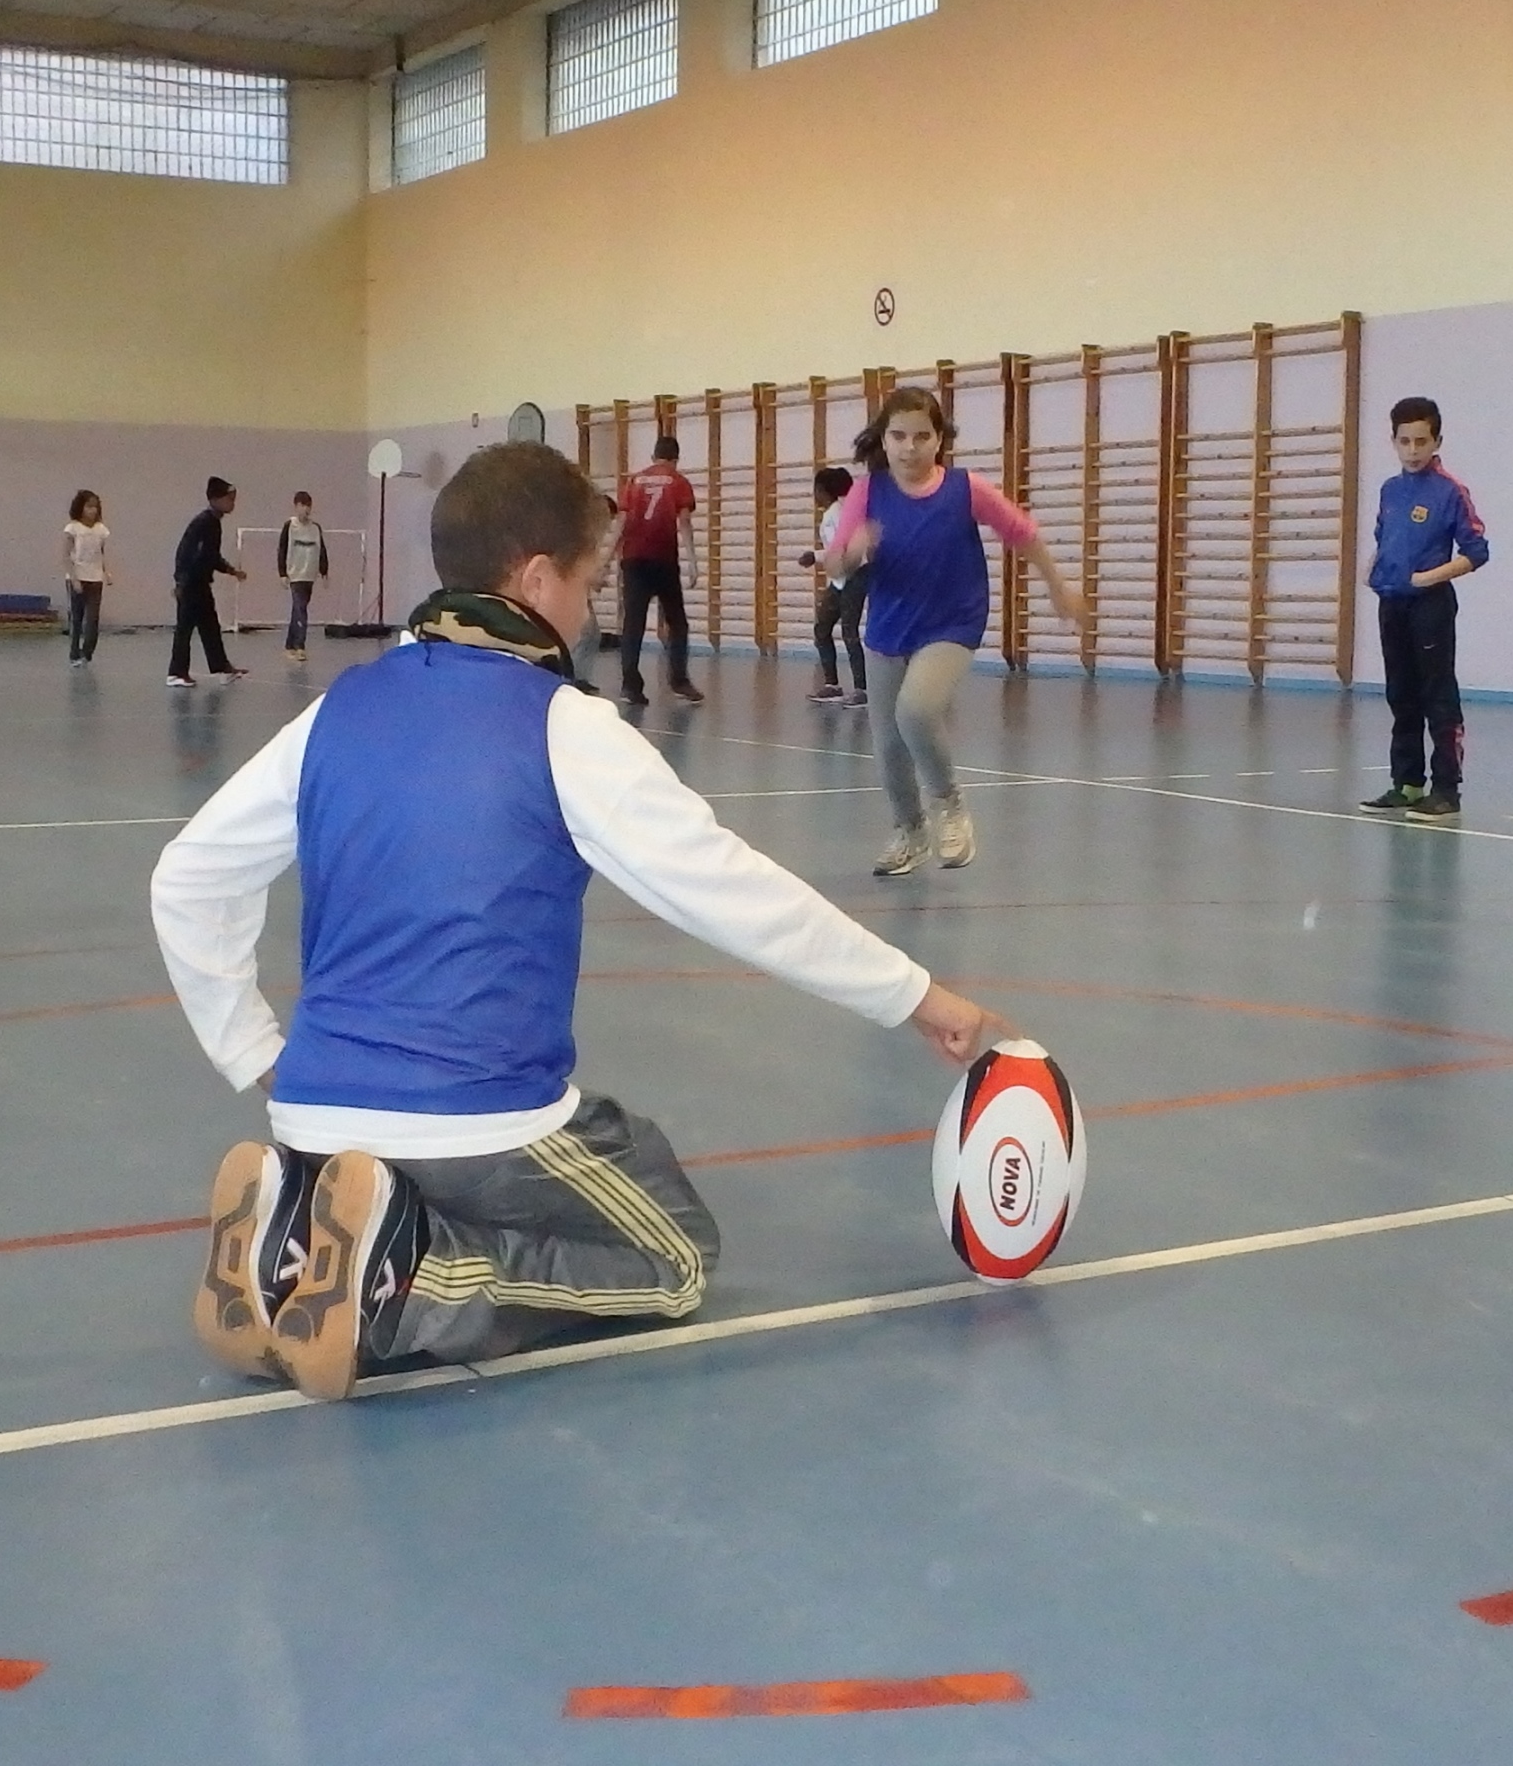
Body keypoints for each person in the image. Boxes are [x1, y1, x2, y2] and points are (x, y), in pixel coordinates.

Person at [151, 441, 1013, 1402]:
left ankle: (292, 1235)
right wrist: (916, 995)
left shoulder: (336, 711)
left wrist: (253, 1048)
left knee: (623, 1140)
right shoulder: (562, 726)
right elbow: (736, 894)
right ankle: (405, 1285)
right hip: (473, 1124)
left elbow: (187, 877)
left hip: (309, 1113)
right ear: (533, 579)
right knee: (673, 1254)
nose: (592, 606)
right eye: (589, 580)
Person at [822, 386, 1084, 876]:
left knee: (916, 711)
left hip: (952, 621)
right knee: (888, 744)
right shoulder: (867, 491)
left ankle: (951, 805)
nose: (909, 447)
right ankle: (909, 831)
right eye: (898, 436)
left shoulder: (964, 489)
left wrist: (1058, 587)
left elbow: (1022, 533)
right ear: (884, 438)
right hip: (887, 625)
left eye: (922, 436)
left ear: (939, 440)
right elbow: (836, 562)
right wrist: (853, 550)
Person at [1355, 397, 1489, 823]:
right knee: (1401, 693)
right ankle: (1407, 783)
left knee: (1437, 695)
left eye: (1421, 441)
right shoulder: (1390, 490)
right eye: (1404, 441)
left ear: (1437, 441)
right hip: (1391, 602)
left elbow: (1476, 552)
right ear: (1393, 442)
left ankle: (1446, 788)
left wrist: (1427, 578)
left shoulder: (1450, 491)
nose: (1412, 450)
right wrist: (1372, 568)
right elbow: (1384, 536)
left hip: (1430, 604)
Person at [614, 435, 703, 708]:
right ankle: (679, 680)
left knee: (633, 624)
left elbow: (622, 522)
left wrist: (605, 559)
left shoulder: (633, 481)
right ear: (675, 459)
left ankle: (630, 685)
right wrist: (693, 560)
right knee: (677, 623)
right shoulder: (678, 481)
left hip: (633, 559)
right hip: (663, 559)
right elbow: (685, 522)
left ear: (653, 457)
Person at [168, 475, 246, 687]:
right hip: (191, 584)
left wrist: (231, 571)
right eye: (229, 499)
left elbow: (210, 555)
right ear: (215, 499)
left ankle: (220, 667)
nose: (232, 504)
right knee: (184, 628)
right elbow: (187, 553)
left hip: (200, 583)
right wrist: (181, 583)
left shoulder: (213, 523)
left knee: (210, 626)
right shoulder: (204, 523)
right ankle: (176, 673)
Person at [802, 466, 869, 706]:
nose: (814, 495)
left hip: (854, 576)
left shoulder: (837, 513)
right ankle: (832, 684)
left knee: (849, 631)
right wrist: (817, 555)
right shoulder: (835, 512)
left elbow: (843, 547)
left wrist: (816, 556)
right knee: (823, 628)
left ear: (824, 490)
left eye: (816, 490)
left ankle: (862, 689)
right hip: (840, 579)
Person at [278, 489, 328, 663]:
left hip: (309, 575)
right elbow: (282, 549)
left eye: (308, 506)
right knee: (301, 610)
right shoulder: (289, 526)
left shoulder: (315, 528)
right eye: (302, 506)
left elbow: (321, 550)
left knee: (297, 610)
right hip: (295, 574)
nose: (306, 510)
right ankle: (300, 646)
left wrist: (324, 571)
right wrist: (282, 573)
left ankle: (289, 645)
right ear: (296, 506)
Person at [63, 489, 111, 667]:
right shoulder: (73, 528)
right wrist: (74, 578)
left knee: (93, 618)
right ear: (80, 507)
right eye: (89, 506)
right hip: (77, 577)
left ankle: (87, 652)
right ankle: (74, 654)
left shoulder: (101, 530)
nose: (93, 511)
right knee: (77, 617)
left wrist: (106, 571)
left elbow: (101, 553)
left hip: (95, 578)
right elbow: (66, 555)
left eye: (95, 507)